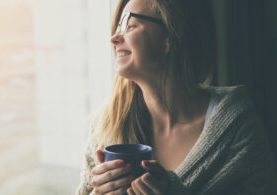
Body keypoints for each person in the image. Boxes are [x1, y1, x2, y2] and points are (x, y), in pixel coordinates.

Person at [76, 0, 277, 194]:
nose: (114, 38)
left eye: (130, 25)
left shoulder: (238, 128)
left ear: (171, 36)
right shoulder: (106, 129)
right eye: (118, 27)